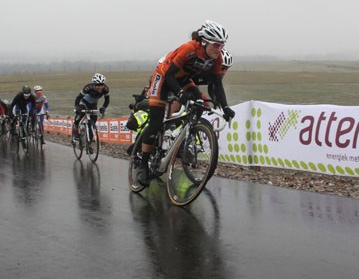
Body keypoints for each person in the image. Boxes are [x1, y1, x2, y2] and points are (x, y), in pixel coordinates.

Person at [132, 20, 236, 186]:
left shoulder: (216, 59)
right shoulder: (189, 48)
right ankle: (143, 164)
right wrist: (180, 94)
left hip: (183, 78)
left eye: (222, 45)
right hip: (164, 77)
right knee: (156, 122)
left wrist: (225, 107)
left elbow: (217, 84)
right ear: (205, 41)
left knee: (198, 99)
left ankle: (184, 131)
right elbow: (170, 75)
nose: (220, 49)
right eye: (217, 45)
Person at [72, 73, 110, 141]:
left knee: (93, 120)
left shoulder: (106, 89)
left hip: (93, 104)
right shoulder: (88, 88)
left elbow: (107, 100)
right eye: (98, 85)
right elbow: (78, 98)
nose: (100, 87)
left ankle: (89, 140)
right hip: (83, 102)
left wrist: (103, 107)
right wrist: (77, 107)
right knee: (81, 113)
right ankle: (75, 127)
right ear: (94, 84)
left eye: (101, 85)